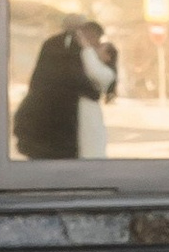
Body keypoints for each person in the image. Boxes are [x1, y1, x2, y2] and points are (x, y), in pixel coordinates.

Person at [11, 15, 118, 161]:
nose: (97, 44)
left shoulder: (54, 44)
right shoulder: (72, 47)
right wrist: (90, 90)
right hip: (60, 120)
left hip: (50, 121)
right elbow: (71, 77)